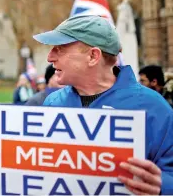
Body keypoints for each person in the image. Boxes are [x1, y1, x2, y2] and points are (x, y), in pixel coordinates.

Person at [33, 15, 173, 194]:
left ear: (93, 56)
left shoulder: (154, 108)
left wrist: (163, 187)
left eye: (60, 48)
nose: (50, 57)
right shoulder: (53, 102)